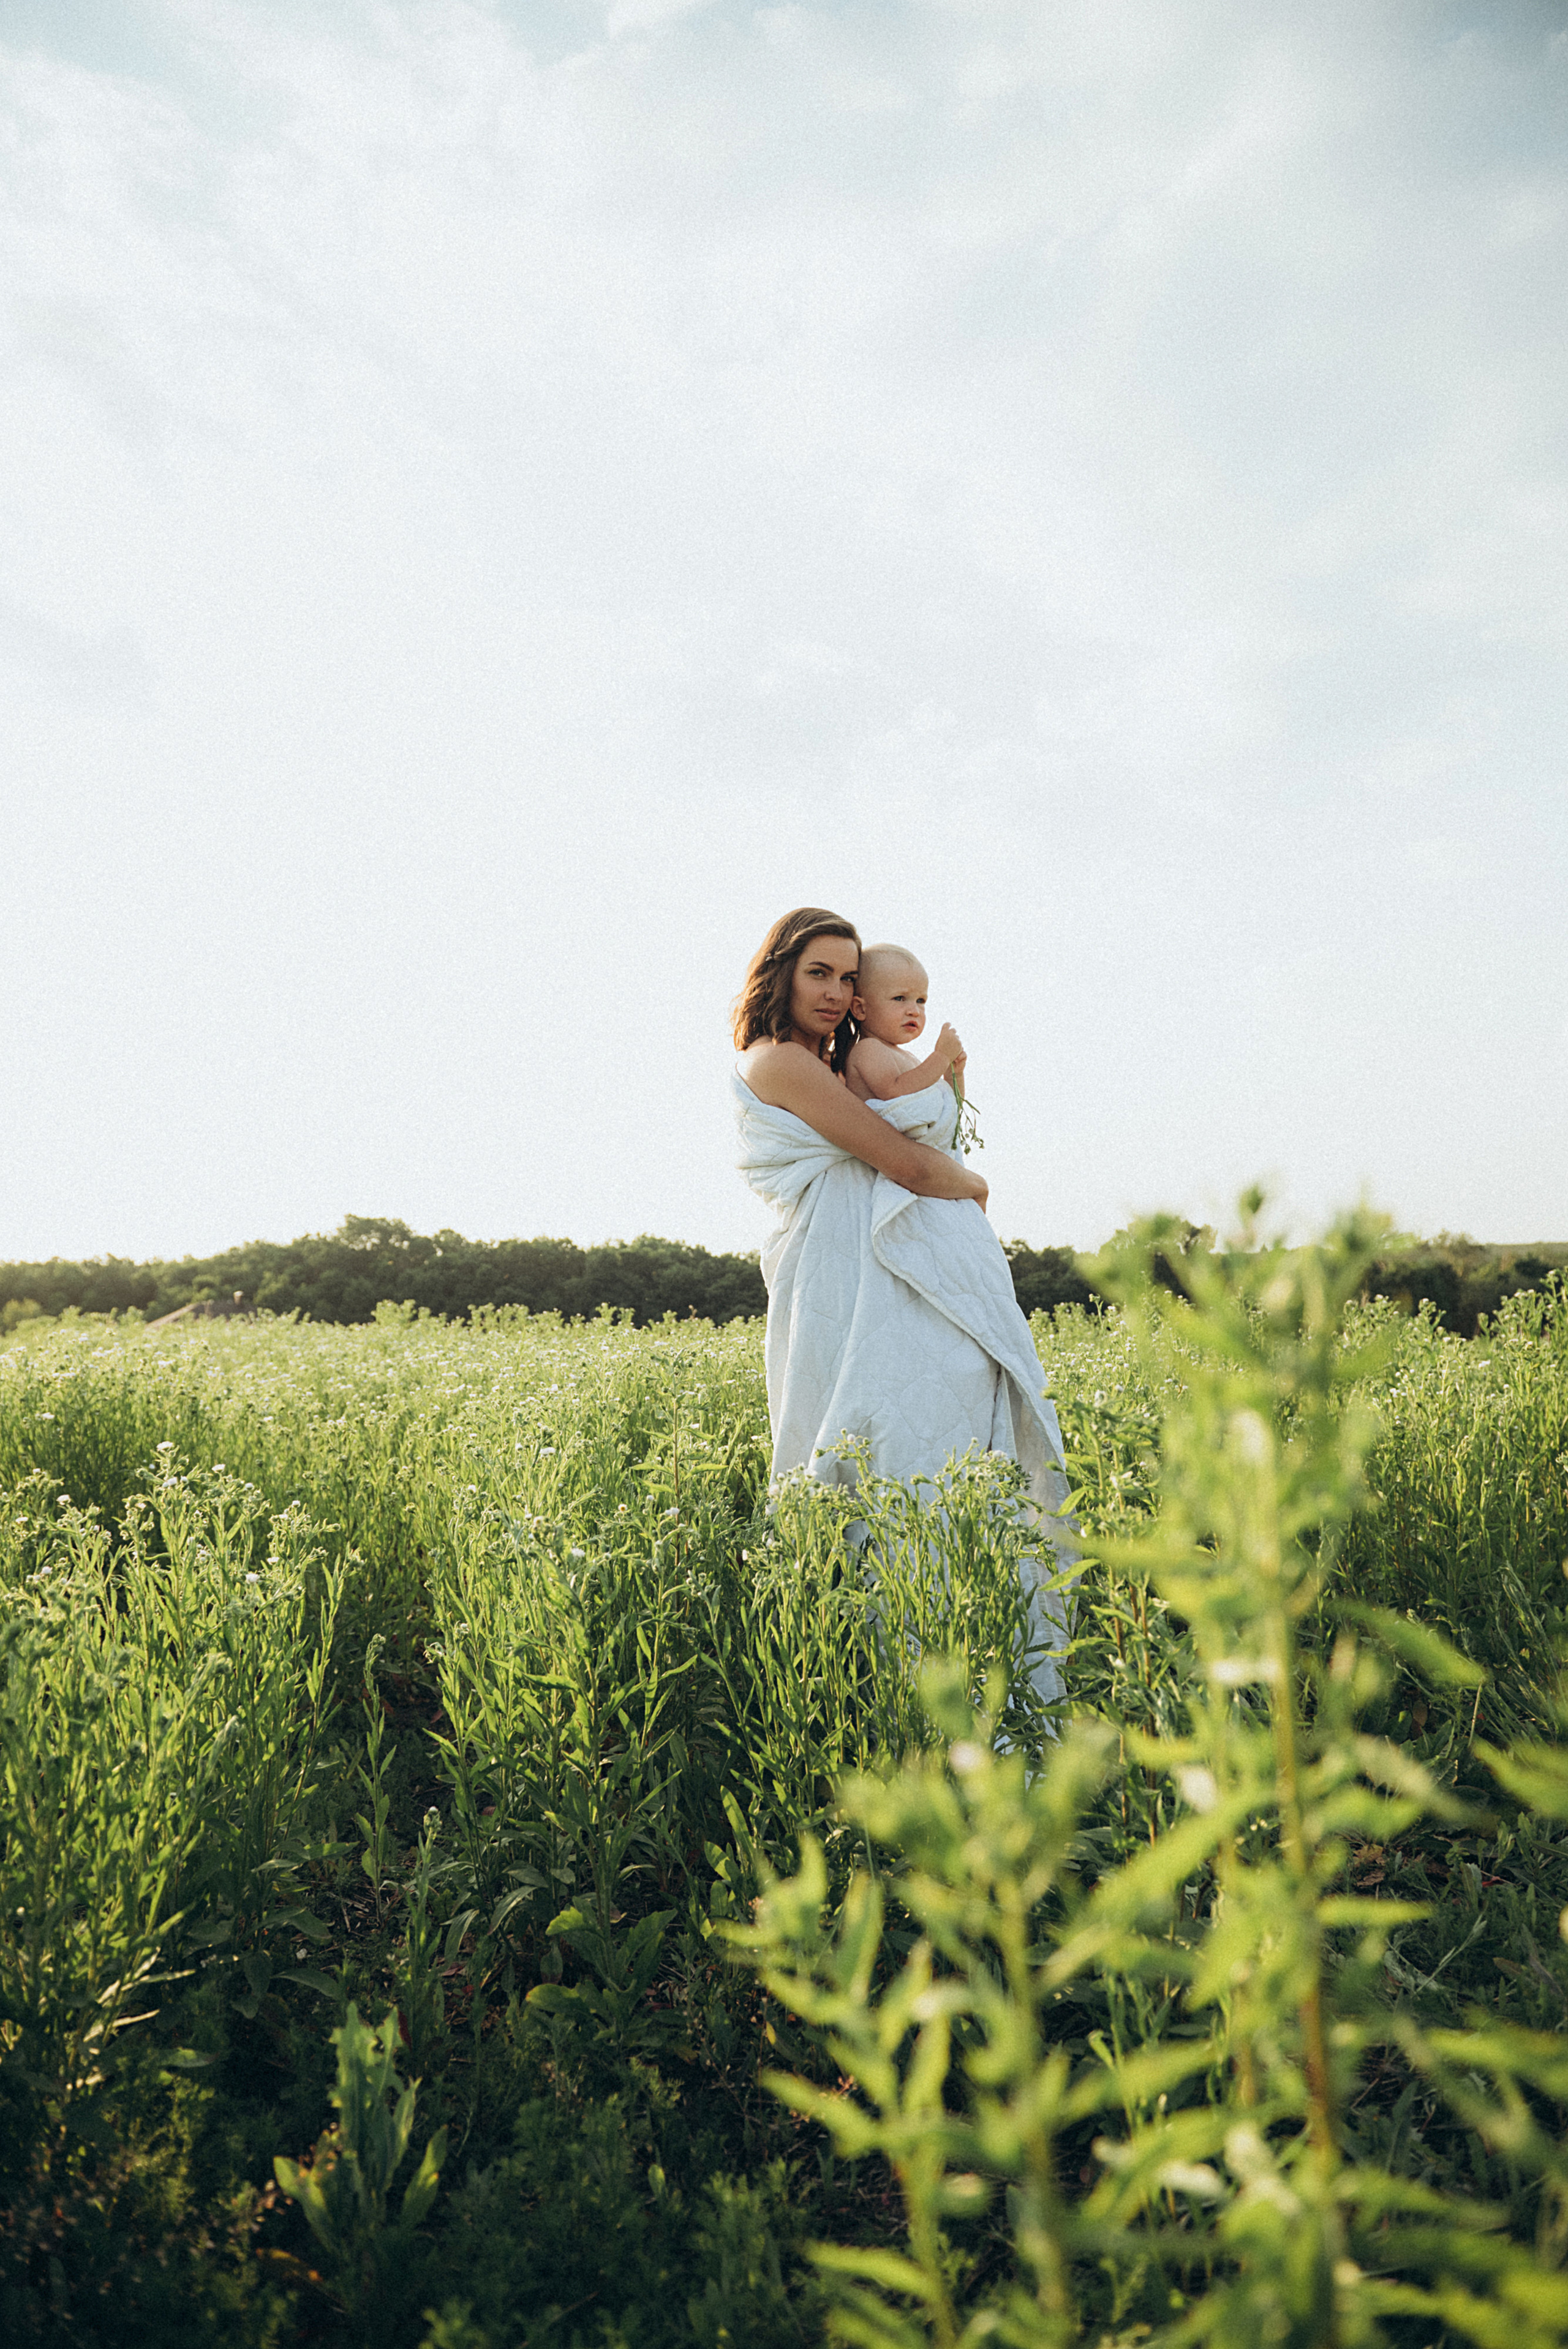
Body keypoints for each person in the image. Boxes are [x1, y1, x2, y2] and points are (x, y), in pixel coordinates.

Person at [731, 907, 1073, 1701]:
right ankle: (872, 1677)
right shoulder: (778, 1058)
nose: (835, 990)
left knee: (926, 1452)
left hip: (871, 1270)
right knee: (857, 1450)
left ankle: (960, 1660)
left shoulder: (846, 1061)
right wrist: (977, 1184)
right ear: (778, 969)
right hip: (839, 1278)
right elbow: (908, 1165)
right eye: (818, 971)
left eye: (849, 978)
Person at [844, 943, 966, 1107]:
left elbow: (948, 1110)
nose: (914, 1011)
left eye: (920, 1001)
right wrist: (941, 1057)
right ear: (861, 1009)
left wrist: (954, 1074)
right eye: (900, 998)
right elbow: (894, 1093)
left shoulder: (909, 1059)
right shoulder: (867, 1049)